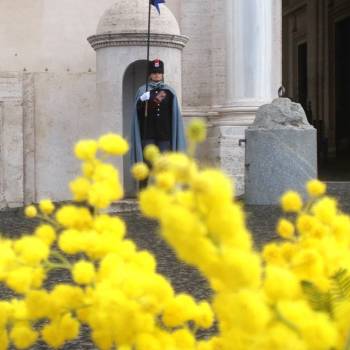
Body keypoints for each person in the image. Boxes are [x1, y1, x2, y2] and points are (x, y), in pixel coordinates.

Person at [131, 59, 186, 165]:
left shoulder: (168, 91)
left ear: (162, 74)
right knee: (148, 164)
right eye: (154, 72)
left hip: (164, 134)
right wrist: (141, 101)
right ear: (150, 75)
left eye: (159, 73)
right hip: (147, 133)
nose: (157, 75)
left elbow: (173, 114)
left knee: (164, 164)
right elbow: (137, 113)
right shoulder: (143, 90)